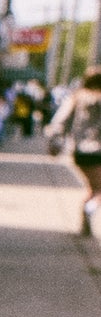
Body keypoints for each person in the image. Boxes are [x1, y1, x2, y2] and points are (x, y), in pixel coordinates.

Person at [48, 66, 101, 234]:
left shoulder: (76, 97)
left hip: (79, 151)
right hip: (98, 151)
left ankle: (87, 216)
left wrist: (55, 141)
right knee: (98, 189)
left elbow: (60, 120)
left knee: (93, 187)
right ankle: (89, 209)